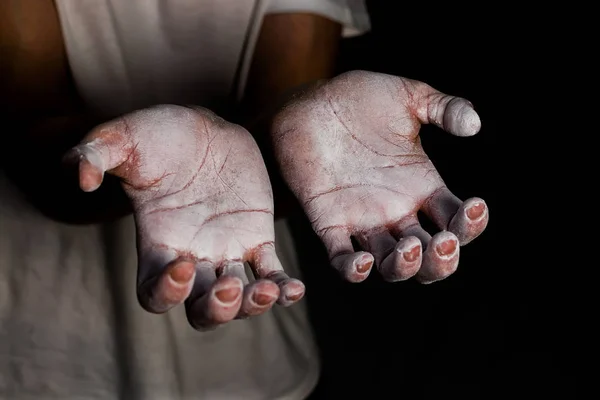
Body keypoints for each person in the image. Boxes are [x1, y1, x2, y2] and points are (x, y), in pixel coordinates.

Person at [0, 1, 488, 399]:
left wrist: (315, 129)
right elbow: (32, 138)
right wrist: (146, 165)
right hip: (45, 351)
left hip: (242, 337)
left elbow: (276, 135)